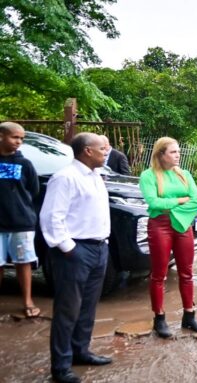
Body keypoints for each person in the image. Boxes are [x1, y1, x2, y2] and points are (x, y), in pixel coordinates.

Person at [39, 132, 112, 383]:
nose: (107, 150)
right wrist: (69, 248)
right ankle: (60, 366)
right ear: (87, 151)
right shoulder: (65, 177)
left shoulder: (95, 176)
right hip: (75, 251)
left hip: (99, 248)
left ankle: (80, 351)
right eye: (102, 147)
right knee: (67, 310)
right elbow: (51, 218)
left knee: (88, 307)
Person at [138, 137, 197, 338]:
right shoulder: (148, 176)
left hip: (183, 225)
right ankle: (159, 317)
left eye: (178, 151)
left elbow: (196, 200)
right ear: (161, 154)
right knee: (159, 274)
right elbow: (153, 202)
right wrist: (179, 200)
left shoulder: (184, 174)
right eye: (173, 152)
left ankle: (189, 316)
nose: (178, 155)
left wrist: (174, 210)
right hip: (160, 226)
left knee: (187, 272)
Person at [0, 122, 41, 319]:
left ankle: (27, 300)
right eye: (14, 137)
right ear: (1, 136)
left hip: (21, 222)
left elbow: (33, 190)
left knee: (23, 262)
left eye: (21, 139)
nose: (18, 142)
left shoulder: (25, 164)